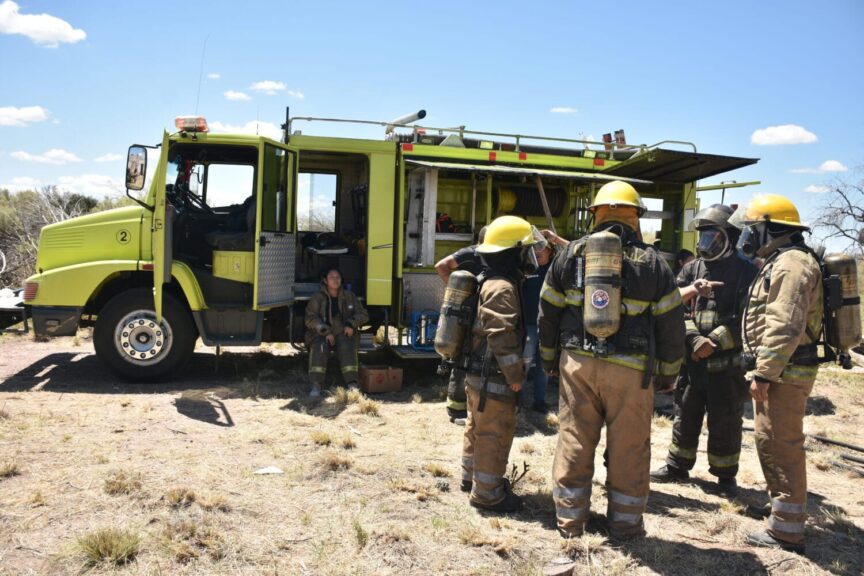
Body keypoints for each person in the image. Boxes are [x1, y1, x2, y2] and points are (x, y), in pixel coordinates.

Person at [538, 180, 685, 539]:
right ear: (636, 218)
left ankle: (571, 522)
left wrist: (549, 361)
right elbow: (671, 324)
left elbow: (548, 311)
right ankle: (625, 524)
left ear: (595, 215)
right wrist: (669, 373)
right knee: (629, 446)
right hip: (632, 370)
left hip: (577, 364)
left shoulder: (569, 254)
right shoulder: (654, 263)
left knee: (574, 437)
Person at [730, 194, 823, 554]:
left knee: (781, 445)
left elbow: (784, 324)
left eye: (753, 230)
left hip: (784, 373)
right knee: (769, 440)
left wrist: (765, 373)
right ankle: (779, 509)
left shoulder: (791, 265)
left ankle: (786, 531)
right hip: (781, 371)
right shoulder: (783, 261)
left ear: (771, 228)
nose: (749, 238)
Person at [651, 205, 758, 496]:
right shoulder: (691, 268)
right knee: (684, 414)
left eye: (713, 236)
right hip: (693, 362)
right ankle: (677, 467)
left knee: (726, 420)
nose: (705, 243)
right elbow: (671, 307)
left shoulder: (747, 272)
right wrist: (694, 341)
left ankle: (725, 477)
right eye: (703, 237)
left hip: (727, 366)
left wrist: (715, 341)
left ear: (729, 237)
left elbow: (751, 318)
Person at [461, 216, 538, 513]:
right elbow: (502, 334)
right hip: (493, 375)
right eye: (524, 251)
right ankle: (488, 494)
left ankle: (471, 479)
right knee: (494, 432)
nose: (527, 257)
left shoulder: (491, 280)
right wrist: (515, 375)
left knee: (476, 428)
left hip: (478, 374)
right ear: (511, 253)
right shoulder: (502, 287)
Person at [436, 226, 487, 421]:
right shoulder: (470, 253)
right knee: (462, 358)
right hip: (466, 315)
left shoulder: (493, 256)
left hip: (481, 313)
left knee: (476, 358)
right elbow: (441, 266)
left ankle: (470, 407)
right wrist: (457, 293)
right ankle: (456, 410)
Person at [305, 268, 369, 397]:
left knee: (347, 346)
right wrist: (325, 331)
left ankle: (352, 383)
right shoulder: (317, 297)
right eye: (331, 277)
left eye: (338, 277)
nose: (335, 280)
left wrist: (351, 324)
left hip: (342, 333)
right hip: (321, 334)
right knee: (320, 347)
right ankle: (316, 385)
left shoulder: (349, 296)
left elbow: (363, 314)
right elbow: (310, 318)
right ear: (325, 281)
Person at [521, 234, 555, 413]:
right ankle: (517, 400)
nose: (538, 252)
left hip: (548, 326)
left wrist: (555, 237)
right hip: (529, 324)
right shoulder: (528, 269)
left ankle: (539, 401)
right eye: (535, 248)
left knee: (544, 366)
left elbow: (575, 251)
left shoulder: (556, 268)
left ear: (550, 251)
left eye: (542, 248)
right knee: (524, 363)